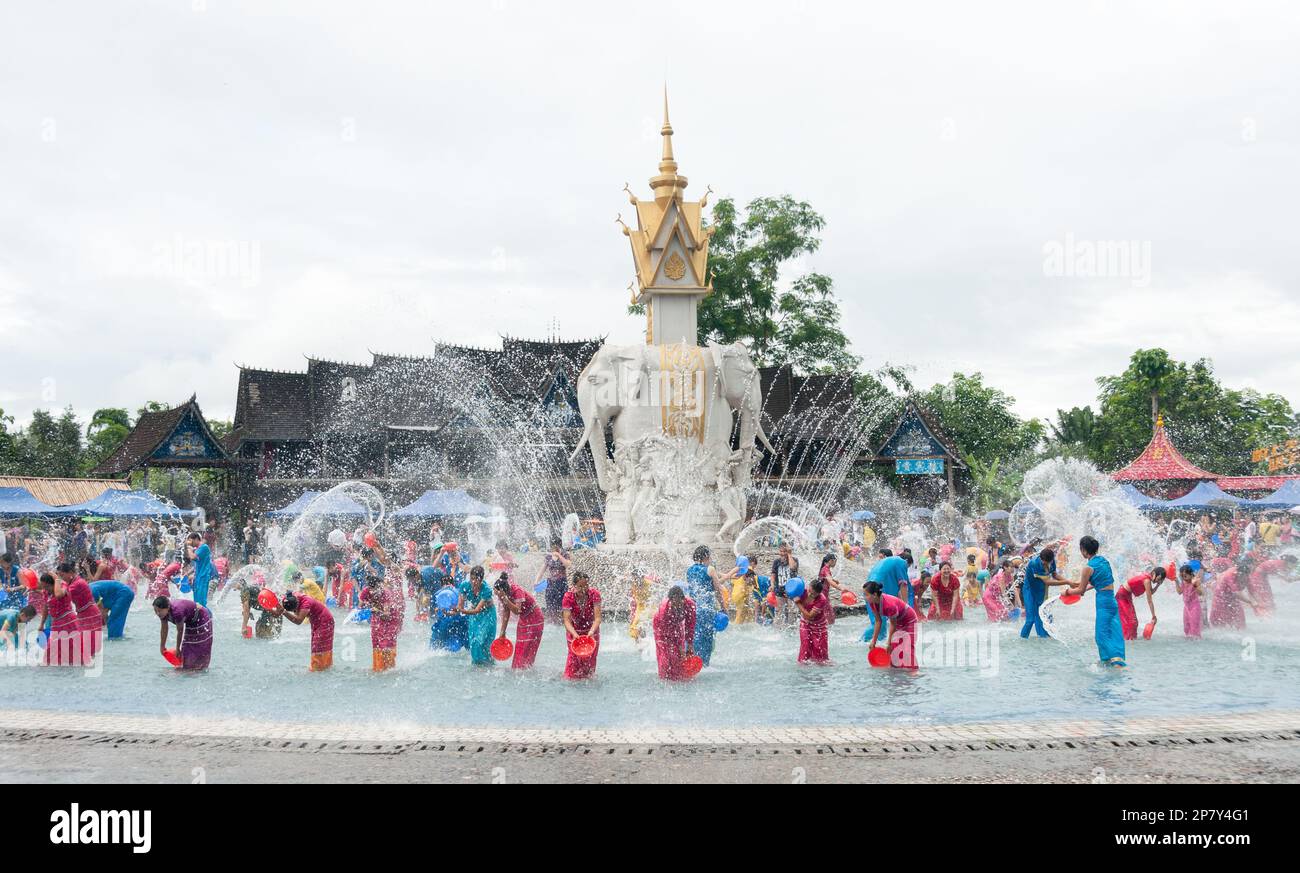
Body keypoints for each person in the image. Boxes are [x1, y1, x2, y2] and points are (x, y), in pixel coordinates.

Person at [1062, 536, 1125, 668]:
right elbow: (1097, 583)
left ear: (1084, 551)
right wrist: (1079, 587)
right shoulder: (1103, 561)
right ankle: (1108, 661)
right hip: (1112, 601)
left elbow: (1081, 590)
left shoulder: (1088, 567)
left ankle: (1117, 663)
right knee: (1114, 632)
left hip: (1103, 603)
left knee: (1101, 636)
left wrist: (1067, 592)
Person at [684, 546, 733, 668]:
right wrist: (724, 608)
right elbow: (717, 591)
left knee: (694, 637)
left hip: (692, 610)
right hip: (706, 610)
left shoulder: (689, 570)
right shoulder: (710, 569)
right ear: (706, 557)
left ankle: (692, 664)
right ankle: (704, 665)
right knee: (706, 639)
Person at [863, 580, 919, 669]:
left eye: (866, 594)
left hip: (909, 620)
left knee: (907, 647)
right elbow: (878, 621)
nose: (864, 597)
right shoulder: (871, 603)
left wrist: (889, 643)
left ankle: (914, 671)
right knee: (894, 649)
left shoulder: (889, 605)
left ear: (874, 595)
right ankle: (895, 670)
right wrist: (873, 641)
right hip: (898, 620)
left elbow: (893, 624)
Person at [494, 572, 544, 670]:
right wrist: (502, 633)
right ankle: (517, 668)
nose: (497, 596)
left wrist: (505, 598)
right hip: (524, 619)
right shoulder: (503, 595)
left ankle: (527, 669)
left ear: (504, 591)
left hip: (535, 618)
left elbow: (517, 610)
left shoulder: (517, 591)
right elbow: (506, 612)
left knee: (529, 646)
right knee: (520, 645)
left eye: (498, 594)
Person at [152, 595, 213, 672]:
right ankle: (189, 667)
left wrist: (178, 649)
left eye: (159, 610)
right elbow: (164, 629)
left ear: (167, 607)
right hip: (190, 621)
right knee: (187, 646)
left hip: (201, 617)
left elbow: (180, 631)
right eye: (155, 611)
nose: (157, 613)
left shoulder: (177, 611)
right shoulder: (163, 614)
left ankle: (200, 669)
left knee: (200, 644)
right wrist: (162, 646)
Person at [277, 591, 335, 671]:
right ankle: (323, 666)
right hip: (316, 620)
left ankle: (317, 669)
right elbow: (279, 606)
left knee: (318, 645)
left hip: (325, 620)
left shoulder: (305, 603)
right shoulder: (287, 599)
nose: (295, 612)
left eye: (295, 610)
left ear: (297, 603)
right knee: (317, 644)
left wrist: (284, 612)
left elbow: (298, 621)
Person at [360, 570, 405, 672]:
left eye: (374, 589)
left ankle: (389, 668)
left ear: (379, 587)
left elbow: (387, 615)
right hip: (377, 617)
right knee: (376, 640)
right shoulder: (366, 591)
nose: (372, 592)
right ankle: (378, 667)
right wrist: (366, 605)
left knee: (386, 642)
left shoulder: (386, 594)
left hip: (391, 619)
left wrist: (376, 610)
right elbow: (360, 604)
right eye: (370, 589)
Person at [862, 551, 911, 642]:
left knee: (878, 621)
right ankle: (862, 642)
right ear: (907, 562)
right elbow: (903, 585)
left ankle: (872, 641)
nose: (907, 570)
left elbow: (897, 592)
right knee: (880, 623)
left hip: (869, 590)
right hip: (875, 592)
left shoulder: (891, 561)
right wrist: (905, 607)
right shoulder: (902, 563)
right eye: (908, 567)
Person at [561, 570, 601, 679]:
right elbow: (567, 621)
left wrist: (591, 632)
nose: (584, 589)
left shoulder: (594, 594)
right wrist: (574, 634)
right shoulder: (568, 597)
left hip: (592, 632)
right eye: (580, 586)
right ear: (574, 586)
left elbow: (597, 618)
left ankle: (588, 682)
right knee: (572, 664)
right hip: (574, 633)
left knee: (590, 662)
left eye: (586, 585)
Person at [1020, 547, 1068, 639]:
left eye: (1047, 562)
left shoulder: (1051, 560)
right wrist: (1068, 582)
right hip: (1030, 590)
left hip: (1042, 589)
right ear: (1041, 559)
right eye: (1043, 562)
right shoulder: (1034, 563)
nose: (1045, 564)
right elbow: (1048, 582)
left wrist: (1069, 582)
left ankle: (1043, 637)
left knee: (1043, 614)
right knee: (1030, 620)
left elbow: (1054, 575)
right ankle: (1022, 639)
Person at [652, 585, 697, 681]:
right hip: (660, 627)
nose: (676, 605)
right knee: (665, 651)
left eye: (679, 602)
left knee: (679, 654)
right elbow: (669, 632)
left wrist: (689, 644)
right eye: (674, 602)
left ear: (683, 599)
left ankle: (679, 674)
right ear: (670, 600)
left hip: (677, 624)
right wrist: (680, 647)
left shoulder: (690, 605)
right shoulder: (664, 610)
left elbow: (690, 626)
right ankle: (664, 676)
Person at [458, 565, 497, 666]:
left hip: (488, 615)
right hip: (474, 616)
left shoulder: (486, 589)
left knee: (483, 641)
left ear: (482, 579)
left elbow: (476, 610)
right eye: (472, 578)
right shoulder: (464, 586)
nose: (474, 582)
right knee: (473, 641)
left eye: (477, 579)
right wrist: (450, 611)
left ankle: (488, 664)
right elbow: (460, 606)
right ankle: (476, 664)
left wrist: (461, 610)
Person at [1117, 567, 1165, 640]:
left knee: (1134, 622)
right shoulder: (1147, 580)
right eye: (1158, 579)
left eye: (1159, 580)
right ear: (1154, 574)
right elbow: (1149, 600)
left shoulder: (1147, 579)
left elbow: (1150, 592)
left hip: (1127, 595)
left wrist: (1158, 585)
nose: (1156, 582)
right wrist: (1153, 616)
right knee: (1131, 622)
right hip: (1122, 596)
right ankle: (1126, 639)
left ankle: (1131, 638)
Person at [1208, 559, 1256, 630]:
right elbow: (1237, 593)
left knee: (1240, 620)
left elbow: (1252, 591)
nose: (1243, 578)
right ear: (1238, 573)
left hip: (1233, 598)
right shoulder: (1230, 575)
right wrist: (1250, 602)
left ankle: (1241, 633)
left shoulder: (1246, 575)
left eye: (1245, 576)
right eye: (1241, 576)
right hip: (1220, 597)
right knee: (1220, 623)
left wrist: (1258, 602)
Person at [429, 572, 468, 652]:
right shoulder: (459, 592)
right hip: (459, 622)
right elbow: (464, 608)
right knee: (457, 643)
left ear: (441, 584)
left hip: (443, 623)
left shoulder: (438, 593)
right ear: (453, 583)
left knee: (435, 645)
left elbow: (435, 610)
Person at [535, 539, 571, 623]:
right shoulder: (548, 557)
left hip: (562, 583)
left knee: (562, 604)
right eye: (552, 548)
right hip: (551, 583)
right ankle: (553, 621)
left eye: (555, 548)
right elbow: (542, 570)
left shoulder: (565, 554)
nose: (553, 550)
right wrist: (536, 581)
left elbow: (568, 564)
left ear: (559, 547)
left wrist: (559, 555)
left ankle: (563, 621)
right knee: (550, 604)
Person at [796, 577, 830, 664]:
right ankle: (802, 665)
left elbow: (810, 616)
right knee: (805, 645)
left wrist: (798, 604)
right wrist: (790, 593)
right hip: (805, 623)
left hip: (819, 626)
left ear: (818, 593)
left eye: (813, 593)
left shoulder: (822, 599)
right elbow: (791, 591)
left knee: (819, 649)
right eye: (809, 590)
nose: (810, 593)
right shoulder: (803, 591)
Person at [770, 543, 799, 623]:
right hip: (779, 591)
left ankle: (791, 631)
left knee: (792, 613)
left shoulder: (794, 560)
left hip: (792, 592)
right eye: (781, 551)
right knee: (778, 613)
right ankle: (778, 632)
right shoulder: (776, 562)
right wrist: (772, 585)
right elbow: (773, 574)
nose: (782, 553)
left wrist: (789, 554)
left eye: (784, 551)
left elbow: (793, 567)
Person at [185, 532, 215, 609]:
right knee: (196, 603)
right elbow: (197, 564)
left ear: (196, 539)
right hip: (198, 578)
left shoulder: (204, 547)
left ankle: (208, 618)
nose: (190, 543)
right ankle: (199, 619)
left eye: (191, 540)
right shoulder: (198, 549)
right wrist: (189, 574)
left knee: (201, 603)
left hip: (203, 577)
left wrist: (188, 547)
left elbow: (193, 557)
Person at [1176, 562, 1204, 640]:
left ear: (1191, 574)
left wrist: (1195, 585)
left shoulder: (1195, 581)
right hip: (1186, 607)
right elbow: (1179, 592)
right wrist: (1176, 582)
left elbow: (1201, 593)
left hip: (1195, 607)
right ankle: (1188, 645)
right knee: (1186, 627)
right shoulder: (1183, 582)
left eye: (1185, 576)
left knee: (1194, 627)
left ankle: (1196, 642)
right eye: (1181, 576)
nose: (1183, 578)